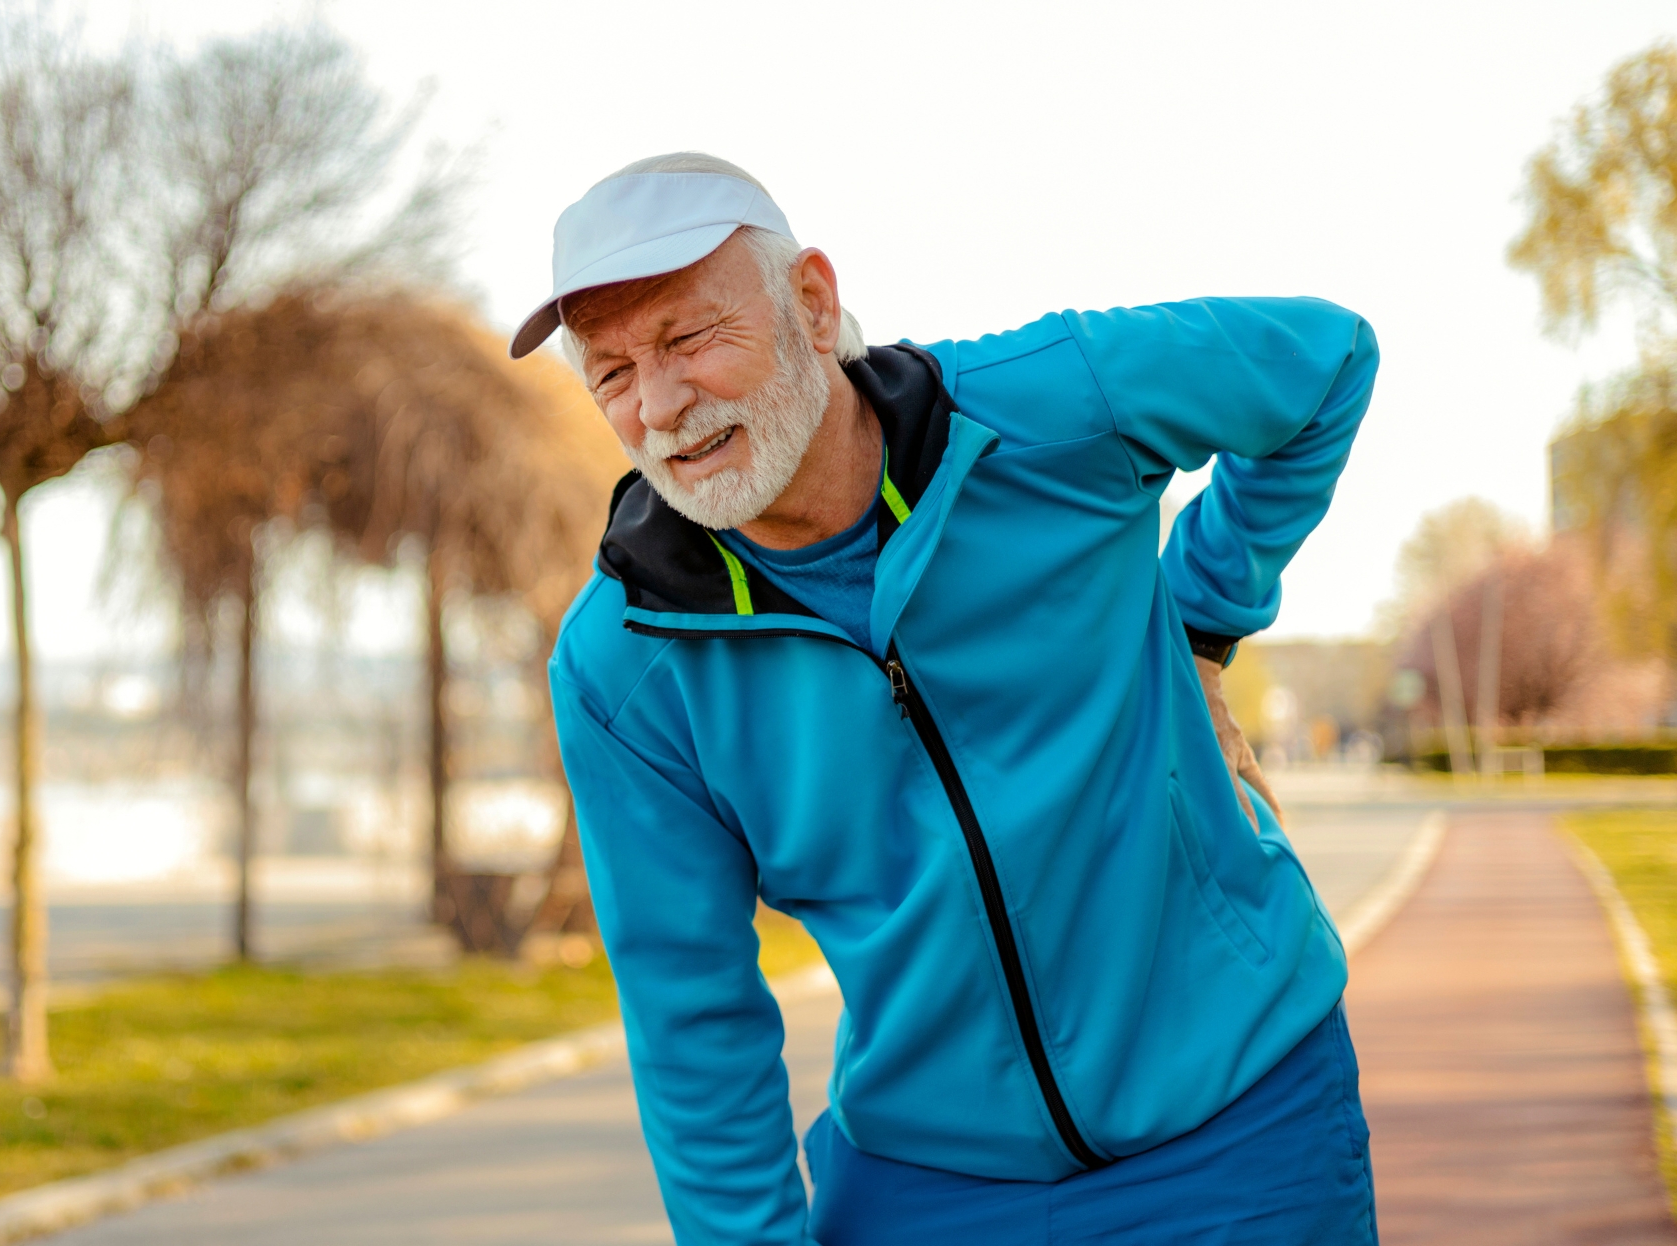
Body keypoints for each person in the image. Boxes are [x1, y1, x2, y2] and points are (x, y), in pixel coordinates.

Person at [517, 153, 1379, 1245]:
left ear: (811, 303)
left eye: (690, 340)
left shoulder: (1049, 404)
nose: (660, 405)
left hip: (1239, 1128)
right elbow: (693, 1026)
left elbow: (1321, 363)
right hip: (930, 1189)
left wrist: (1200, 624)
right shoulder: (620, 667)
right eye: (610, 373)